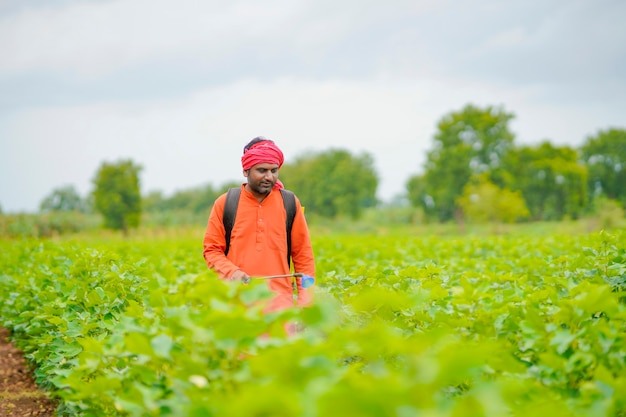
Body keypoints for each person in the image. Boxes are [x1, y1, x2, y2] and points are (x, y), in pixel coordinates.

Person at [203, 137, 315, 314]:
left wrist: (306, 302)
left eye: (273, 170)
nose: (269, 177)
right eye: (261, 170)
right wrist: (232, 272)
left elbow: (304, 256)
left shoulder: (290, 203)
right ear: (245, 170)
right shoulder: (225, 203)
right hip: (236, 304)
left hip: (280, 306)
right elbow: (211, 250)